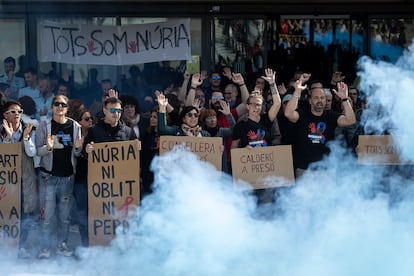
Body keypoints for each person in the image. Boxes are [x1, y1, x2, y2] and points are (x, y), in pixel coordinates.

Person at [35, 95, 83, 259]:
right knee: (46, 216)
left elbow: (76, 152)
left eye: (63, 104)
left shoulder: (75, 126)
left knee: (64, 216)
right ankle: (45, 248)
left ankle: (62, 245)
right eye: (56, 104)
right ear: (52, 106)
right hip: (48, 176)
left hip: (67, 177)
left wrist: (78, 149)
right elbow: (37, 151)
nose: (59, 107)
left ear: (67, 108)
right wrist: (48, 148)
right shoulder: (44, 125)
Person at [284, 78, 356, 177]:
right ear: (310, 101)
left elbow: (351, 120)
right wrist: (297, 92)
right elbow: (288, 114)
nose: (319, 100)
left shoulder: (331, 116)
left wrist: (344, 98)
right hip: (304, 170)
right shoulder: (302, 114)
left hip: (326, 170)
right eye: (316, 98)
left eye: (322, 98)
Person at [0, 100, 37, 259]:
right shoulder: (1, 131)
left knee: (24, 214)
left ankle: (21, 246)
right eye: (13, 112)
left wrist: (27, 138)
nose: (17, 115)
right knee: (7, 213)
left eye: (20, 112)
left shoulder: (30, 128)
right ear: (5, 115)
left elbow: (32, 152)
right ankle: (6, 245)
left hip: (25, 178)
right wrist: (8, 138)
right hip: (7, 181)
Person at [73, 108, 93, 247]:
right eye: (86, 119)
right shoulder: (74, 135)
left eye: (91, 118)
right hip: (80, 180)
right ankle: (85, 242)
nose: (90, 121)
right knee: (82, 213)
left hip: (96, 179)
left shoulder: (95, 134)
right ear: (79, 122)